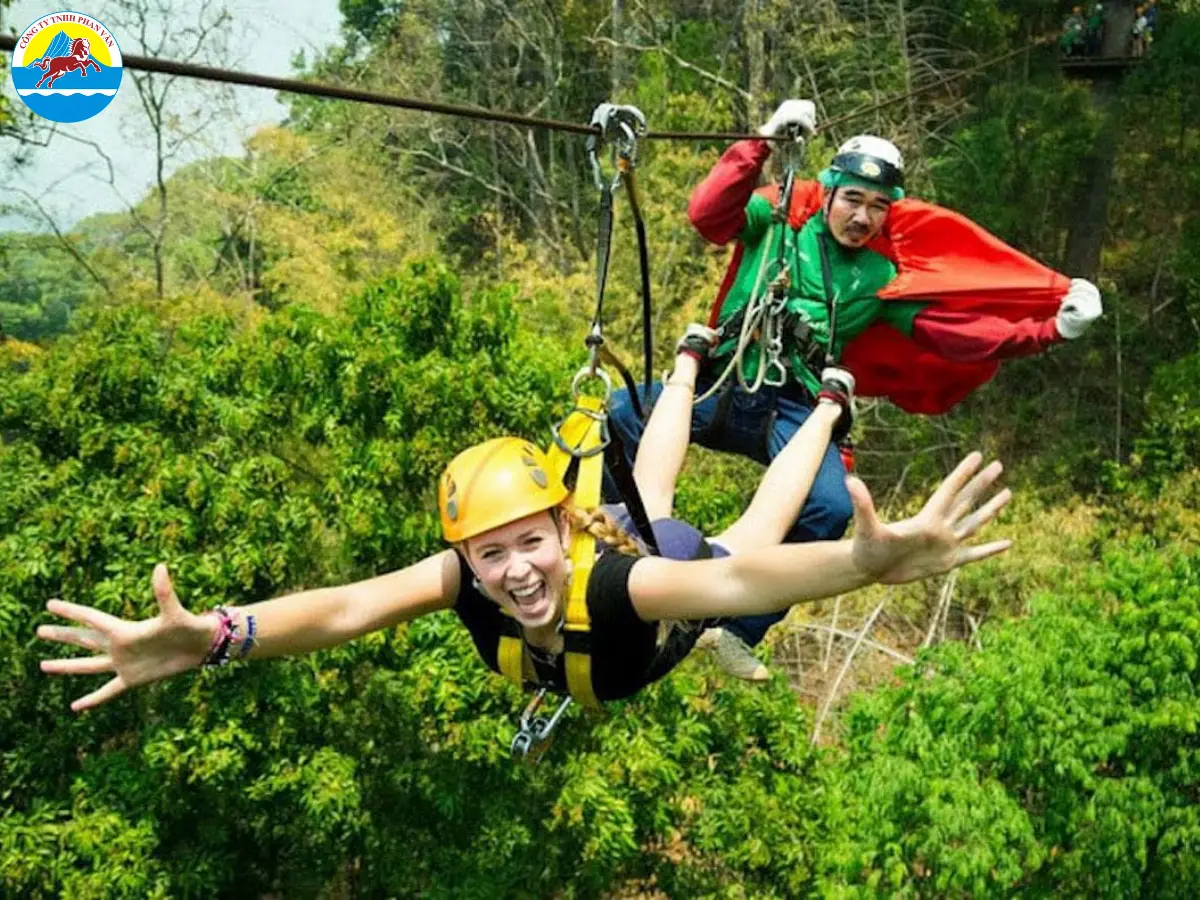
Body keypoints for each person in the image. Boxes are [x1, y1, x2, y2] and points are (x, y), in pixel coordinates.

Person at [37, 340, 1013, 712]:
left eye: (527, 544)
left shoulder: (624, 584)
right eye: (489, 554)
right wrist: (213, 637)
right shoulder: (469, 576)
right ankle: (685, 362)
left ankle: (834, 406)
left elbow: (739, 586)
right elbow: (342, 609)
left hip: (658, 592)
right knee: (657, 494)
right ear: (465, 554)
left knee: (744, 530)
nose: (513, 573)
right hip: (620, 564)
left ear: (562, 527)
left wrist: (860, 564)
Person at [607, 99, 1102, 680]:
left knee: (831, 505)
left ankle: (734, 629)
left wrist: (1048, 329)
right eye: (853, 200)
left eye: (877, 208)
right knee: (618, 415)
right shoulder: (776, 216)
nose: (863, 218)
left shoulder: (879, 277)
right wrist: (761, 141)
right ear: (831, 192)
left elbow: (953, 334)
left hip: (793, 406)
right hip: (728, 377)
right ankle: (612, 541)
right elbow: (708, 214)